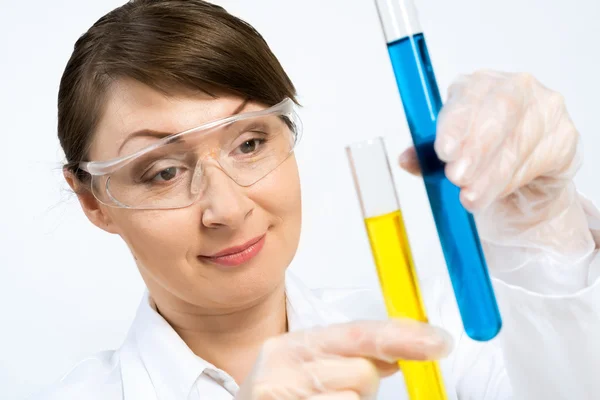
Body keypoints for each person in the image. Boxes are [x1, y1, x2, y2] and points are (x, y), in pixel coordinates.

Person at [37, 0, 600, 399]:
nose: (228, 210)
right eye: (161, 172)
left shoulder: (431, 334)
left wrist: (549, 244)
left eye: (250, 143)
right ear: (94, 203)